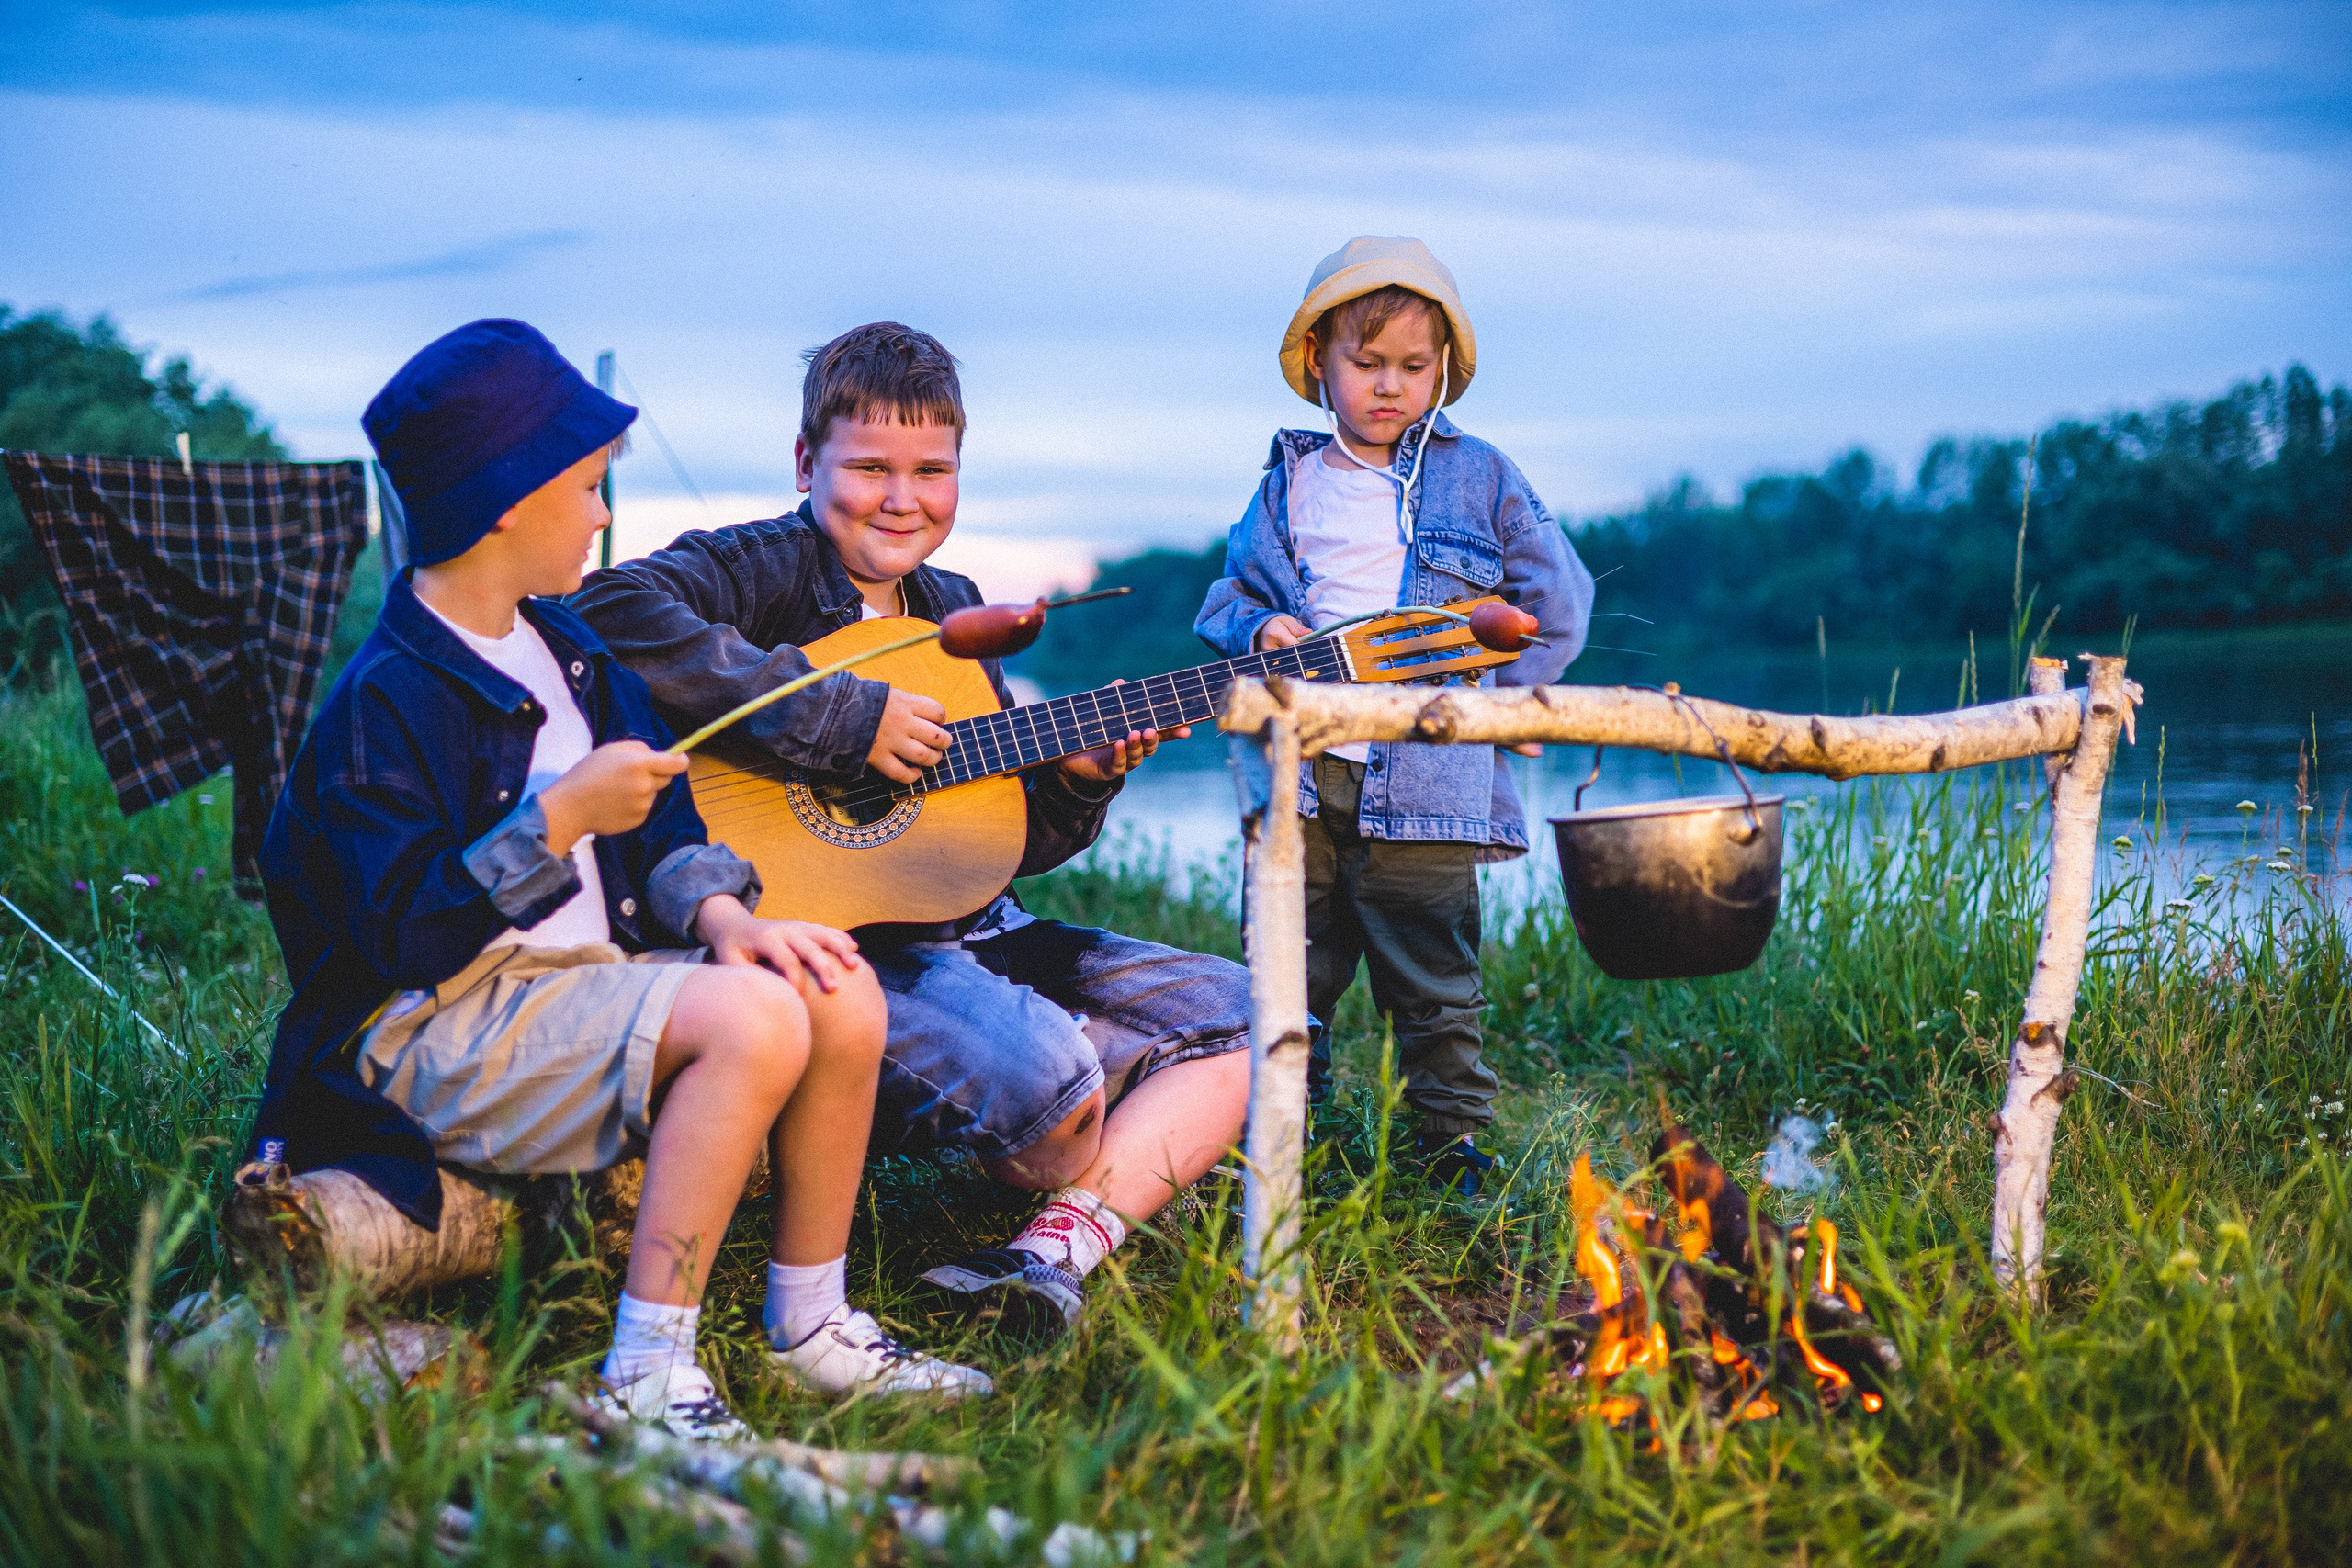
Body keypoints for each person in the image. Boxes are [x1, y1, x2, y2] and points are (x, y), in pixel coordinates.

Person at [254, 320, 990, 1440]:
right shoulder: (389, 699)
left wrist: (726, 919)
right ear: (507, 502)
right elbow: (401, 933)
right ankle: (647, 1368)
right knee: (748, 1022)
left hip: (576, 989)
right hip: (425, 1030)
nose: (602, 518)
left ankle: (810, 1323)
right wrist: (556, 822)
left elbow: (671, 827)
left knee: (836, 988)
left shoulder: (570, 650)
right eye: (589, 489)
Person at [571, 323, 1253, 1337]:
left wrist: (1076, 783)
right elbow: (608, 608)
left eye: (932, 471)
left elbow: (986, 839)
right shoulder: (757, 568)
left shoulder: (954, 608)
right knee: (1054, 1088)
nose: (902, 498)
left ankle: (1046, 1253)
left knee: (1252, 1012)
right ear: (806, 463)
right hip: (816, 943)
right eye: (869, 468)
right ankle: (1107, 1123)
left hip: (962, 931)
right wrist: (837, 717)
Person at [1193, 237, 1595, 1193]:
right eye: (1366, 362)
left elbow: (1559, 598)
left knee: (1434, 978)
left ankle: (1453, 1152)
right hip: (1299, 776)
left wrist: (1505, 703)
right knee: (1290, 970)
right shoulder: (1288, 484)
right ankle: (1292, 1136)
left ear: (1442, 369)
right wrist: (1261, 628)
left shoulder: (1481, 475)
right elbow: (1225, 598)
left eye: (1413, 367)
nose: (1388, 386)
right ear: (1318, 362)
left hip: (1428, 775)